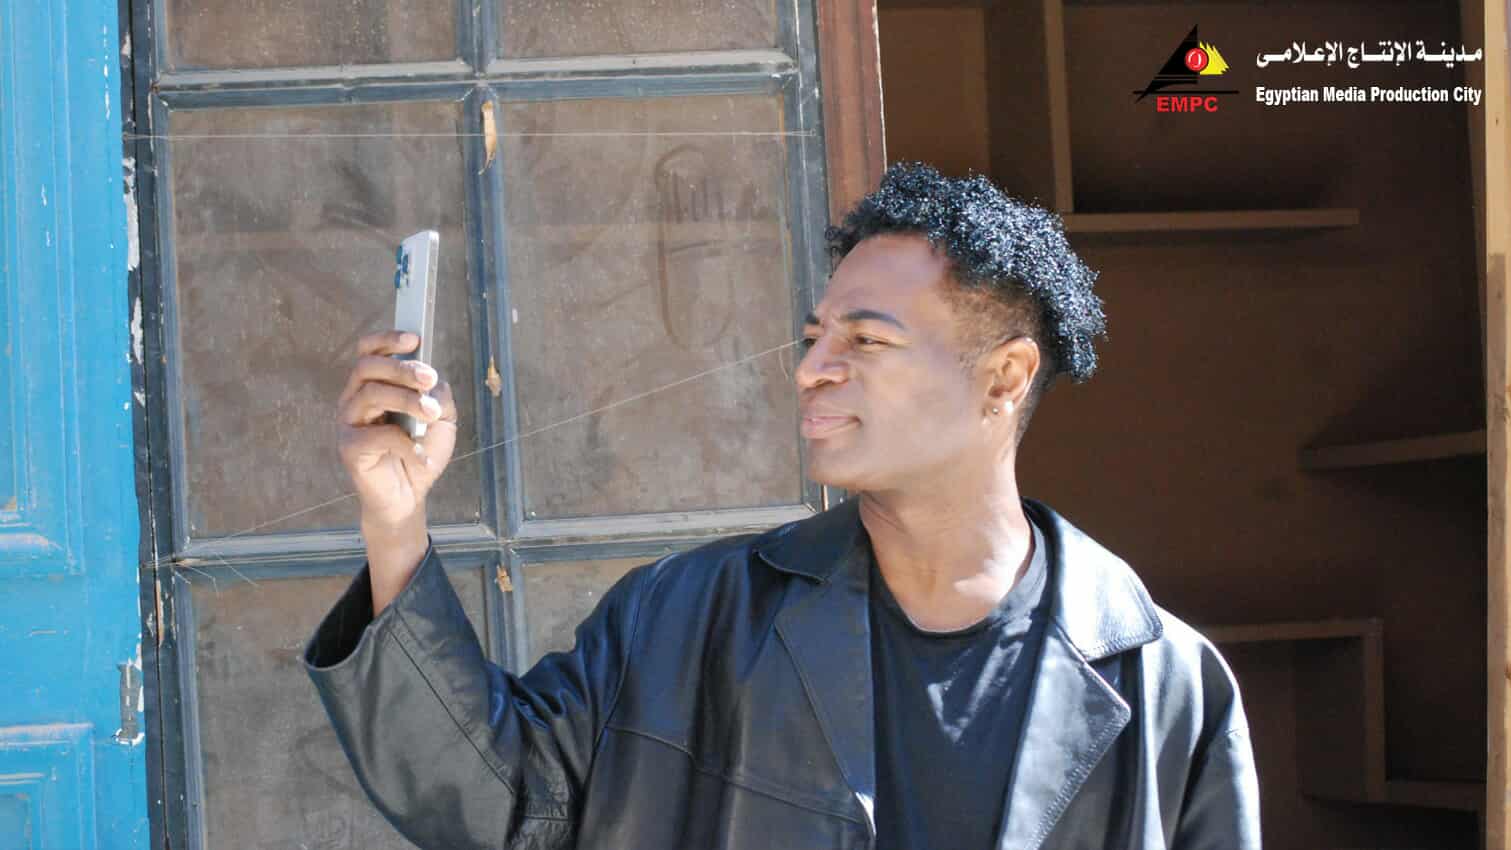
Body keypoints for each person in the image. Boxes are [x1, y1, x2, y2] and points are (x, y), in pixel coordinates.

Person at [305, 162, 1261, 849]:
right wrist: (397, 520)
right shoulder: (690, 616)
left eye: (866, 341)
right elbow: (499, 804)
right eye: (814, 337)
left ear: (1005, 377)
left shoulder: (1165, 684)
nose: (811, 369)